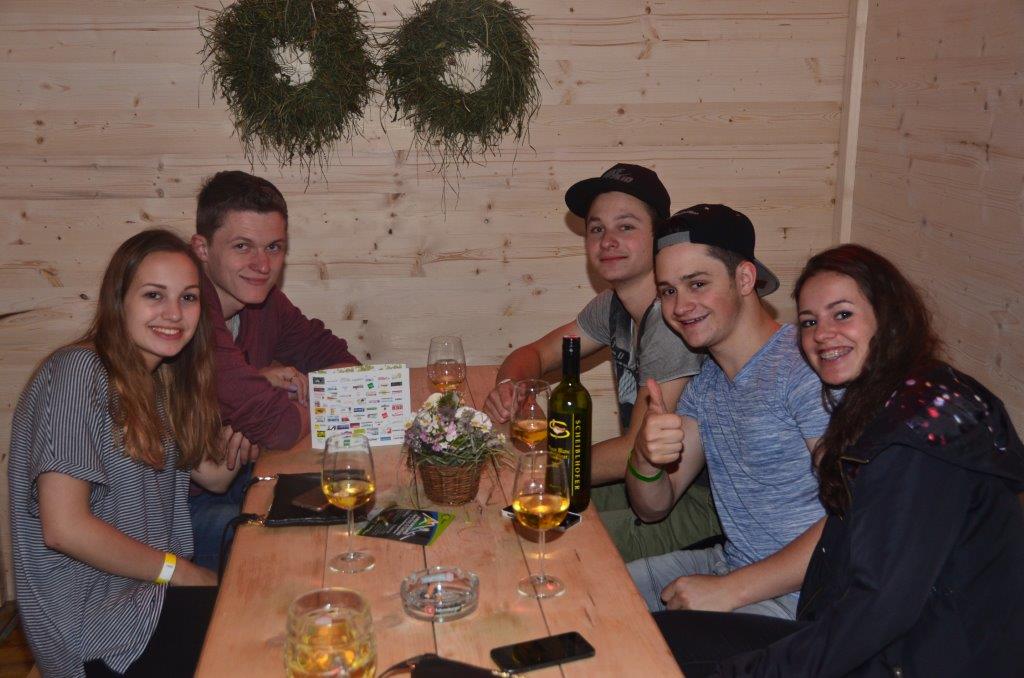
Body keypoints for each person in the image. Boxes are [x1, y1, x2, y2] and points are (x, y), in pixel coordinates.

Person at [654, 244, 1024, 676]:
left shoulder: (917, 435)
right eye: (809, 322)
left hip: (936, 655)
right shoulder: (892, 401)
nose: (822, 335)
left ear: (890, 317)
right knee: (660, 637)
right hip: (878, 632)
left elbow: (877, 613)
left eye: (843, 314)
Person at [8, 230, 237, 677]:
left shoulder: (159, 379)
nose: (174, 313)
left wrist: (258, 424)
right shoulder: (78, 372)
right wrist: (182, 573)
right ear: (119, 301)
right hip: (96, 630)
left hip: (146, 599)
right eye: (154, 295)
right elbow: (64, 529)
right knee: (263, 629)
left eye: (188, 298)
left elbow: (215, 476)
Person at [482, 163, 717, 562]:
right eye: (596, 229)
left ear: (658, 237)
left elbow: (633, 450)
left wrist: (547, 466)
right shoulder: (612, 306)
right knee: (509, 514)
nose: (608, 241)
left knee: (538, 547)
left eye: (626, 227)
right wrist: (511, 389)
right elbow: (534, 354)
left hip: (700, 502)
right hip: (644, 483)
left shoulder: (671, 322)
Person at [627, 204, 828, 619]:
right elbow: (653, 507)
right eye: (668, 291)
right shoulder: (707, 386)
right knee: (587, 591)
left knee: (642, 645)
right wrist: (645, 457)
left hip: (804, 600)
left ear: (745, 279)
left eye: (697, 284)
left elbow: (857, 517)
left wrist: (728, 591)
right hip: (730, 566)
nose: (680, 306)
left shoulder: (805, 370)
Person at [188, 170, 360, 569]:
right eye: (242, 246)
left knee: (353, 502)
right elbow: (279, 427)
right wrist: (266, 400)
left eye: (274, 247)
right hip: (172, 513)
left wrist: (265, 390)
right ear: (202, 248)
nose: (262, 265)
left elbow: (345, 367)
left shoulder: (264, 303)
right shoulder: (189, 315)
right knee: (302, 546)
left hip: (241, 475)